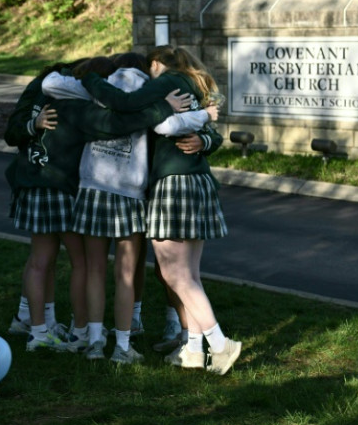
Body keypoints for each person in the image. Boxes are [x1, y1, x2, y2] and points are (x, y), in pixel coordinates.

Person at [42, 52, 217, 363]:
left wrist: (87, 76)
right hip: (129, 194)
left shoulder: (96, 89)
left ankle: (95, 340)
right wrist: (205, 118)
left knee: (95, 269)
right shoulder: (150, 99)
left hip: (93, 188)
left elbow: (51, 84)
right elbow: (172, 124)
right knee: (124, 272)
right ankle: (122, 346)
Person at [5, 56, 186, 353]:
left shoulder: (59, 90)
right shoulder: (87, 104)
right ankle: (87, 334)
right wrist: (159, 108)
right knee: (89, 265)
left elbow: (27, 112)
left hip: (48, 183)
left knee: (47, 261)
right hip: (76, 187)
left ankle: (45, 330)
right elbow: (112, 124)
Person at [81, 45, 242, 374]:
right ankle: (193, 351)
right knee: (190, 275)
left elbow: (132, 109)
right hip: (199, 183)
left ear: (156, 64)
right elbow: (209, 133)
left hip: (172, 185)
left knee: (175, 274)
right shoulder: (195, 86)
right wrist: (203, 128)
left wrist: (92, 79)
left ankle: (221, 344)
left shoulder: (164, 82)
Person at [4, 60, 88, 350]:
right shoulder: (80, 92)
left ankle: (40, 330)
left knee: (42, 260)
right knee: (81, 261)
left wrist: (32, 123)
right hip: (62, 185)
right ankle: (81, 332)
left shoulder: (38, 89)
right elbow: (13, 131)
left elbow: (13, 130)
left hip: (35, 180)